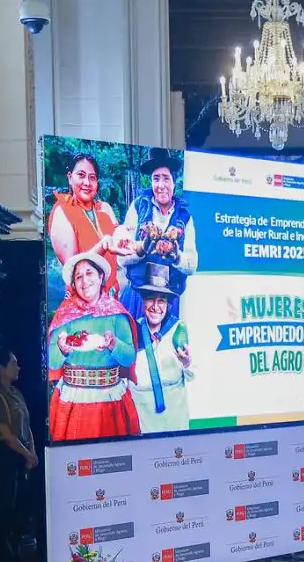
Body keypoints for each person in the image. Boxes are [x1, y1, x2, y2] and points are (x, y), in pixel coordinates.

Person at [47, 252, 139, 442]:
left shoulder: (116, 313)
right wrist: (62, 349)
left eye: (89, 273)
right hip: (74, 400)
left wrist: (113, 343)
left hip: (110, 401)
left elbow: (129, 357)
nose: (84, 280)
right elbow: (53, 363)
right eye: (78, 277)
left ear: (101, 277)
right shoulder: (66, 315)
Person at [0, 347, 37, 562]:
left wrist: (32, 453)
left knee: (19, 517)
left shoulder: (15, 393)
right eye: (13, 363)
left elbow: (27, 427)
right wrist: (26, 453)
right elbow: (6, 435)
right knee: (4, 518)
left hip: (21, 460)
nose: (18, 367)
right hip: (4, 462)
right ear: (1, 368)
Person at [48, 152, 132, 297]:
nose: (87, 182)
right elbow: (73, 270)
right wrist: (103, 245)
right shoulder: (62, 211)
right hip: (83, 303)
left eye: (92, 177)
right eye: (81, 175)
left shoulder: (105, 208)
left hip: (111, 300)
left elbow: (120, 245)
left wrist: (130, 238)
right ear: (69, 177)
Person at [120, 150, 195, 304]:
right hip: (137, 295)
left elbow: (192, 264)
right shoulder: (138, 207)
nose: (161, 185)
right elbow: (121, 258)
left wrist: (176, 255)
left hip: (168, 300)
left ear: (174, 182)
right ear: (151, 182)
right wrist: (143, 247)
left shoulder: (184, 216)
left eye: (166, 178)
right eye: (156, 179)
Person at [127, 264, 193, 434]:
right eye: (150, 298)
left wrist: (187, 363)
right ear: (143, 300)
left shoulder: (178, 328)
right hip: (143, 413)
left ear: (168, 304)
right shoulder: (132, 331)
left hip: (175, 413)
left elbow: (194, 375)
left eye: (161, 300)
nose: (156, 306)